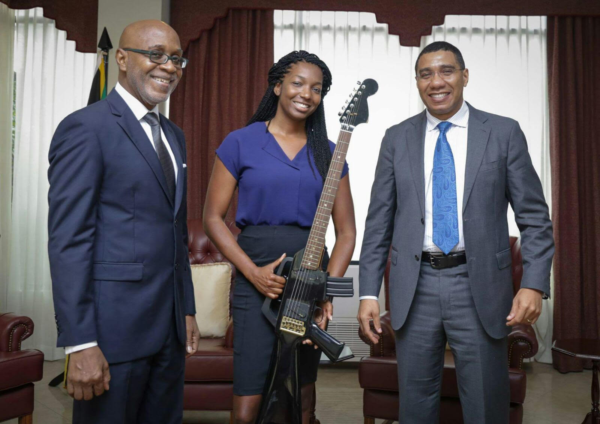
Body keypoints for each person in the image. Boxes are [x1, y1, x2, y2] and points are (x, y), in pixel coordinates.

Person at [357, 41, 554, 424]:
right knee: (415, 405)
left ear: (464, 76)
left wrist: (533, 283)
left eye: (446, 71)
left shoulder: (503, 132)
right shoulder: (396, 138)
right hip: (415, 286)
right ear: (417, 82)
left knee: (485, 404)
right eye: (426, 73)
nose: (437, 81)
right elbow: (378, 221)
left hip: (479, 284)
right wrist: (367, 292)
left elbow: (534, 216)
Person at [48, 20, 199, 424]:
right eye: (155, 55)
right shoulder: (85, 128)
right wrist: (80, 342)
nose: (169, 66)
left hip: (169, 330)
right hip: (113, 331)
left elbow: (176, 231)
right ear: (121, 58)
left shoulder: (174, 135)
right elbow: (69, 241)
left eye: (176, 58)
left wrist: (186, 309)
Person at [203, 50, 356, 424]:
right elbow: (212, 218)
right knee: (247, 405)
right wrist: (252, 273)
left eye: (317, 88)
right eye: (298, 83)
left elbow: (348, 232)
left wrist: (324, 290)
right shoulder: (241, 142)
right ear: (277, 86)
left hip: (308, 281)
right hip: (255, 279)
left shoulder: (329, 153)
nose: (307, 93)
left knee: (302, 399)